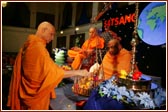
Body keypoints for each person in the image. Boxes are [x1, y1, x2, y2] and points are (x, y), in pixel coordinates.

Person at [7, 21, 90, 110]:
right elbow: (52, 72)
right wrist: (79, 72)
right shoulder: (38, 48)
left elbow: (41, 67)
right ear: (43, 30)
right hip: (36, 95)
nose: (52, 38)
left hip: (26, 90)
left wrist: (55, 67)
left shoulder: (29, 44)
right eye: (51, 34)